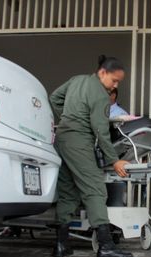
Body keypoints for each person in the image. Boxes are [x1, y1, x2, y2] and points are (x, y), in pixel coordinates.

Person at [50, 55, 133, 257]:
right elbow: (100, 131)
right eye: (114, 80)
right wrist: (114, 160)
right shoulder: (100, 94)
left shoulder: (76, 80)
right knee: (95, 189)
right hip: (79, 142)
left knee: (68, 192)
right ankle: (106, 247)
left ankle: (61, 246)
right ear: (102, 72)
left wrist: (69, 118)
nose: (115, 86)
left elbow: (54, 98)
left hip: (61, 139)